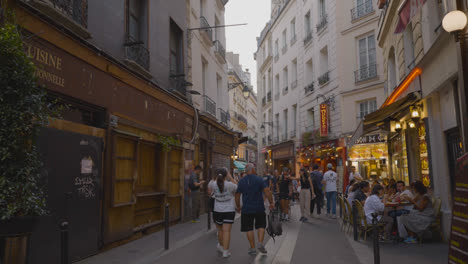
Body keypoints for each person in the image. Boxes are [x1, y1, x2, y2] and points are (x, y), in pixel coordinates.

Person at [235, 163, 274, 255]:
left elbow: (237, 196)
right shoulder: (259, 179)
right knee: (261, 226)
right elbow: (267, 192)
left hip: (247, 209)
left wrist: (238, 206)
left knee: (249, 228)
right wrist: (271, 202)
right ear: (252, 170)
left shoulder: (241, 181)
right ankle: (260, 243)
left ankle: (252, 248)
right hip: (259, 208)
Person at [208, 168, 238, 258]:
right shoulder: (230, 185)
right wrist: (231, 177)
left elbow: (209, 191)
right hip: (229, 210)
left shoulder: (212, 184)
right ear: (226, 175)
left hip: (217, 210)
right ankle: (225, 251)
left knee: (220, 230)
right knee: (227, 231)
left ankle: (221, 246)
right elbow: (238, 187)